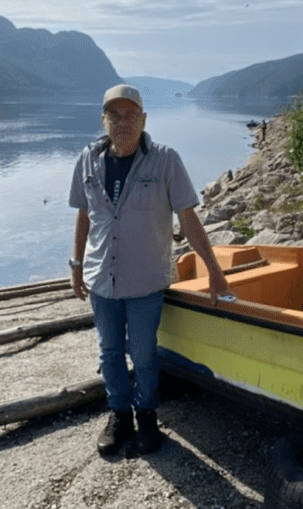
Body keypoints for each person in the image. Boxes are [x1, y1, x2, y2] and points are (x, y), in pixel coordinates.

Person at [68, 84, 232, 456]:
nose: (122, 122)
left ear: (143, 119)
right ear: (103, 120)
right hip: (100, 280)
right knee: (109, 352)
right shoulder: (87, 161)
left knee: (143, 354)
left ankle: (146, 416)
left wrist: (214, 270)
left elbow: (188, 218)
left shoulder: (165, 160)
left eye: (130, 115)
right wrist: (76, 265)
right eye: (114, 115)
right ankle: (119, 415)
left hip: (145, 282)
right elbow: (83, 216)